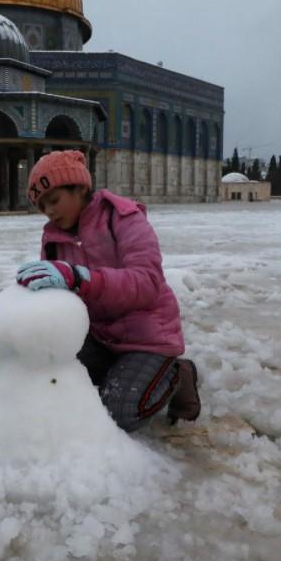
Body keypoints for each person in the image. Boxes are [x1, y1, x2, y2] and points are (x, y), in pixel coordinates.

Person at [16, 149, 201, 430]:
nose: (49, 211)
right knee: (48, 379)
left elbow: (147, 282)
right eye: (42, 207)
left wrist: (79, 278)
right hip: (101, 338)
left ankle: (177, 374)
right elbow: (59, 293)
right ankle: (119, 373)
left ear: (78, 187)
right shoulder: (54, 238)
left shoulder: (123, 217)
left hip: (147, 337)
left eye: (54, 200)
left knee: (117, 413)